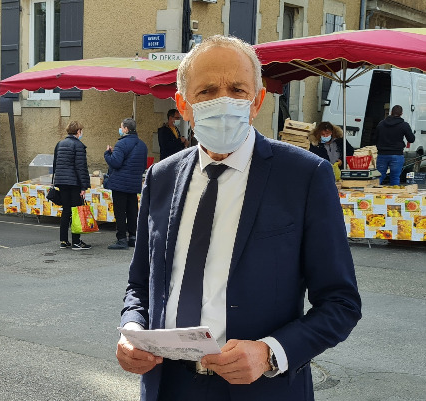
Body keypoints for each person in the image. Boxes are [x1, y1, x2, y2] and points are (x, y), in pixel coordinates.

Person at [115, 35, 361, 401]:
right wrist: (132, 328)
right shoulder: (161, 178)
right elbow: (140, 284)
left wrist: (270, 353)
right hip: (168, 385)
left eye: (237, 89)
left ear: (257, 101)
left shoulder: (304, 176)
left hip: (262, 388)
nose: (223, 100)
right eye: (207, 91)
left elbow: (341, 302)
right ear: (183, 105)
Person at [103, 117, 147, 249]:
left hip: (120, 183)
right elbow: (143, 166)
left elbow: (116, 162)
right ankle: (133, 237)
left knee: (120, 212)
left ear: (126, 129)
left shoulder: (121, 144)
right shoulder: (142, 145)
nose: (120, 129)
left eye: (121, 127)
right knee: (132, 211)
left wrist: (107, 154)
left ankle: (121, 239)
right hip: (134, 183)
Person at [52, 121, 91, 250]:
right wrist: (84, 186)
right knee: (76, 212)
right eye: (81, 131)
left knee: (66, 211)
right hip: (74, 183)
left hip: (62, 182)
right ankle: (76, 241)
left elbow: (55, 164)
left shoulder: (60, 144)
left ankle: (63, 240)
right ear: (78, 131)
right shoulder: (78, 145)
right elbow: (81, 167)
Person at [374, 105, 415, 186]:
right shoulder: (404, 125)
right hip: (397, 154)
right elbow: (411, 139)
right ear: (401, 114)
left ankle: (372, 191)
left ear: (391, 112)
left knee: (379, 176)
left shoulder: (381, 124)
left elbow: (375, 139)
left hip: (382, 154)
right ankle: (394, 192)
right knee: (395, 177)